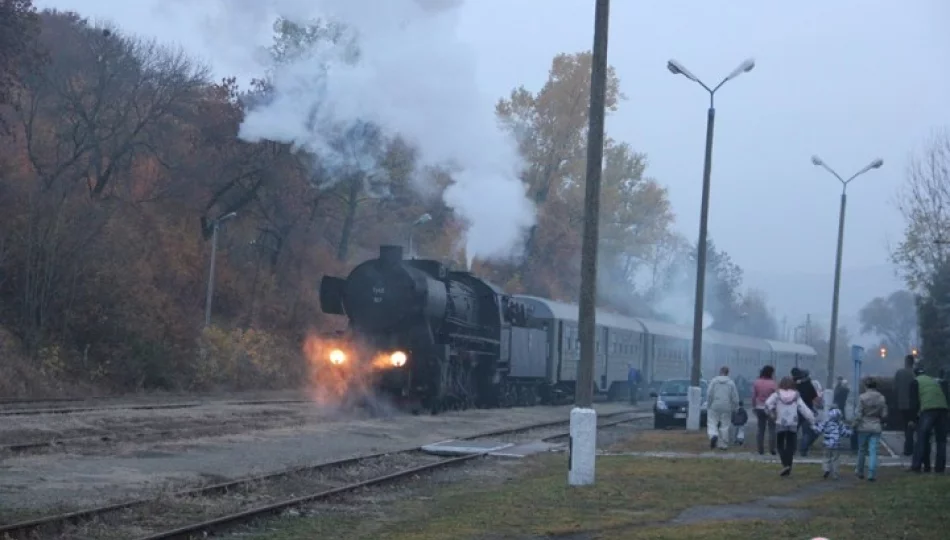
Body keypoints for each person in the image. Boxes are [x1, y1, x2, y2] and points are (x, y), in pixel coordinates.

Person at [765, 376, 815, 477]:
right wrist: (812, 420)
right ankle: (789, 467)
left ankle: (785, 464)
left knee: (780, 445)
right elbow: (803, 409)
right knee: (790, 445)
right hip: (793, 423)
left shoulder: (777, 394)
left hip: (780, 422)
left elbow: (767, 404)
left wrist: (771, 414)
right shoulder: (796, 395)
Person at [909, 365, 948, 474]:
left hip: (928, 410)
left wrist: (912, 418)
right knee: (941, 440)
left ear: (915, 374)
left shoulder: (915, 382)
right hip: (943, 409)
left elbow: (914, 402)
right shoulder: (933, 381)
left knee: (922, 438)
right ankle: (940, 469)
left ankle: (917, 466)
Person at [854, 377, 888, 482]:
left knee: (862, 450)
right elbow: (884, 414)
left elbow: (858, 414)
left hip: (864, 426)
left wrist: (855, 424)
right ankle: (871, 474)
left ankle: (860, 471)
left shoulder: (862, 397)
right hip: (876, 426)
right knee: (873, 451)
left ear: (866, 386)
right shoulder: (881, 398)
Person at [706, 366, 740, 450]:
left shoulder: (714, 381)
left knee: (712, 422)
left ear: (720, 371)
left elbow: (709, 394)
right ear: (728, 373)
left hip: (715, 405)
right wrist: (736, 407)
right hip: (726, 406)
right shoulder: (731, 383)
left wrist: (709, 405)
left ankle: (713, 435)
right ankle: (723, 444)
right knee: (725, 425)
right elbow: (734, 397)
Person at [814, 407, 852, 479]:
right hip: (836, 444)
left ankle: (826, 469)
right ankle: (835, 474)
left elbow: (819, 430)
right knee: (835, 459)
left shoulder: (826, 422)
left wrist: (815, 426)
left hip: (827, 444)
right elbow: (844, 433)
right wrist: (850, 432)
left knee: (826, 457)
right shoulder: (840, 423)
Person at [791, 367, 820, 457]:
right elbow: (815, 398)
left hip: (795, 410)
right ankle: (803, 450)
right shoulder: (809, 385)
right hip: (807, 410)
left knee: (793, 431)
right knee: (807, 432)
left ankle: (792, 449)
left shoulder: (794, 385)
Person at [894, 354, 918, 457]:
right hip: (913, 404)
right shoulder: (914, 374)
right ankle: (910, 448)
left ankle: (908, 447)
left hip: (901, 404)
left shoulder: (899, 373)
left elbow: (894, 388)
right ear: (913, 362)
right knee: (912, 426)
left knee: (906, 426)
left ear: (905, 361)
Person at [752, 365, 778, 455]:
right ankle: (772, 449)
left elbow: (754, 396)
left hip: (759, 407)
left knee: (760, 429)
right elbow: (776, 397)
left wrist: (754, 406)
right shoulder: (773, 383)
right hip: (770, 408)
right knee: (772, 429)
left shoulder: (757, 382)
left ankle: (760, 449)